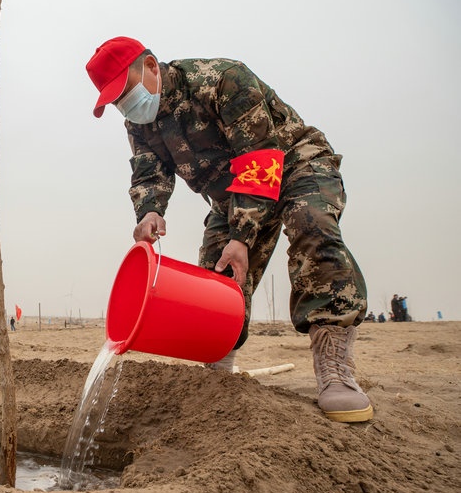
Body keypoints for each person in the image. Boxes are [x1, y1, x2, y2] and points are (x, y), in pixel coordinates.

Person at [86, 37, 371, 423]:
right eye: (116, 101)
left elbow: (259, 158)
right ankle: (219, 370)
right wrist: (149, 212)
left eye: (127, 92)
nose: (126, 106)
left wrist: (243, 238)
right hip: (230, 195)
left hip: (292, 168)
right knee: (216, 277)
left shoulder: (221, 81)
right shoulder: (140, 124)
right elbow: (149, 173)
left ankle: (334, 364)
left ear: (151, 67)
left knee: (311, 225)